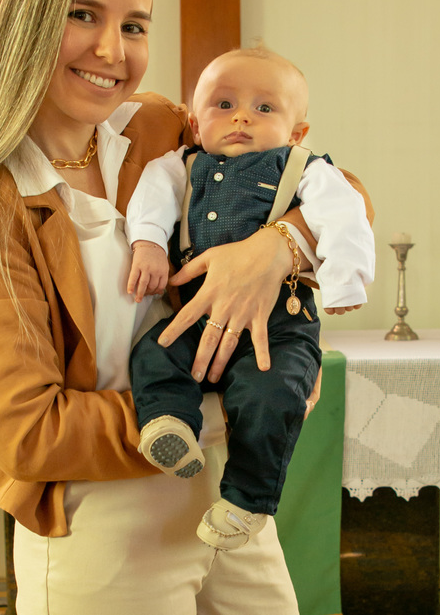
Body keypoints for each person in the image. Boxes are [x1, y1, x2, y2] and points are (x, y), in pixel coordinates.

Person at [0, 0, 371, 615]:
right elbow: (26, 430)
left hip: (226, 504)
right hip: (104, 529)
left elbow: (337, 188)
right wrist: (243, 408)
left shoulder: (158, 127)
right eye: (82, 15)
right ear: (26, 23)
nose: (111, 49)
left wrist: (273, 248)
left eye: (134, 25)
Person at [125, 47, 376, 550]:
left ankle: (247, 501)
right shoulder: (179, 166)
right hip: (198, 314)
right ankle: (170, 425)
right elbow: (151, 197)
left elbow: (345, 214)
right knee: (155, 351)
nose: (241, 116)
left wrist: (345, 281)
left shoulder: (304, 168)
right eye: (224, 105)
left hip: (279, 326)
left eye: (264, 108)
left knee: (272, 396)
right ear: (195, 124)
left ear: (297, 132)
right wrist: (148, 243)